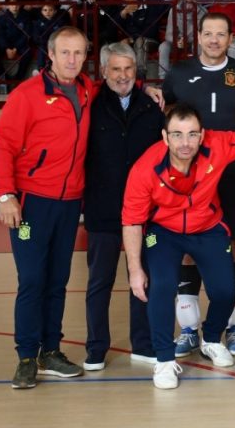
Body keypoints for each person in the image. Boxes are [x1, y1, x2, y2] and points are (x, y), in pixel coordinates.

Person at [123, 104, 235, 389]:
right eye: (178, 135)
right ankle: (164, 360)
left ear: (202, 134)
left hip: (208, 227)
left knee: (225, 291)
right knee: (161, 287)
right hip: (164, 231)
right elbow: (132, 221)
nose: (185, 143)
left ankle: (210, 338)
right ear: (165, 136)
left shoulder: (218, 145)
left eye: (192, 134)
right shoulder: (145, 167)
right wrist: (135, 270)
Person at [0, 26, 93, 389]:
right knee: (33, 280)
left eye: (79, 53)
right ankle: (26, 357)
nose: (72, 60)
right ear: (50, 54)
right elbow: (2, 146)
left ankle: (51, 351)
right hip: (31, 204)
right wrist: (6, 195)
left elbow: (120, 88)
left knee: (58, 280)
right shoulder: (27, 95)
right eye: (65, 53)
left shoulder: (86, 90)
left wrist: (150, 90)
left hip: (69, 204)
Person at [160, 13, 235, 359]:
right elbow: (167, 106)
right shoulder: (180, 72)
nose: (215, 40)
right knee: (188, 244)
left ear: (231, 37)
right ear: (198, 37)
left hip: (229, 175)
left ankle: (233, 327)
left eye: (221, 34)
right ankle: (189, 329)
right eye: (209, 34)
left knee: (231, 244)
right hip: (188, 175)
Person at [82, 42, 163, 372]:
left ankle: (143, 344)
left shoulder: (151, 104)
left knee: (144, 279)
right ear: (103, 71)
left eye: (128, 69)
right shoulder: (91, 104)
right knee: (99, 282)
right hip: (102, 209)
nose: (122, 75)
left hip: (145, 213)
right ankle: (96, 348)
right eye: (115, 69)